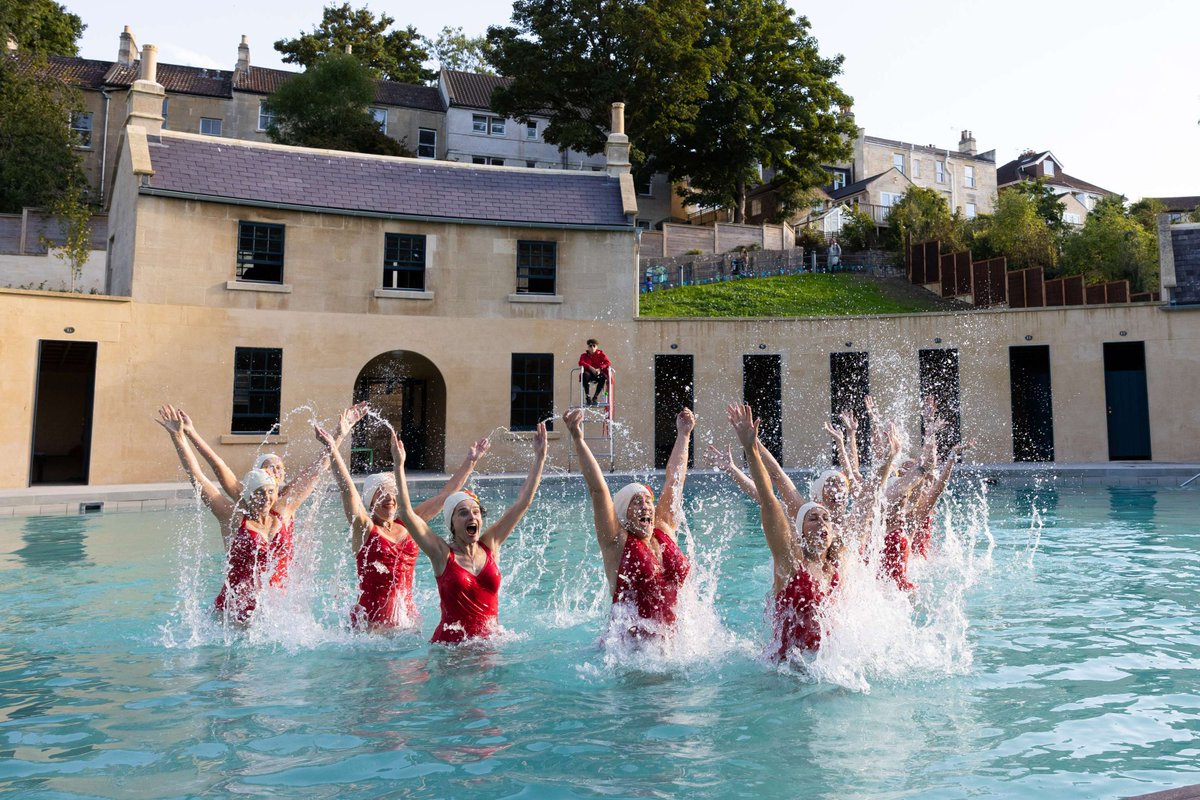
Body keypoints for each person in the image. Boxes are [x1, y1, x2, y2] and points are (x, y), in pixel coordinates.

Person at [156, 404, 353, 624]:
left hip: (274, 611)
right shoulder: (234, 519)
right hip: (234, 613)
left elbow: (316, 472)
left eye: (270, 492)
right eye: (260, 493)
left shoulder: (285, 510)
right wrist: (180, 437)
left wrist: (339, 435)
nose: (267, 498)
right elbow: (201, 477)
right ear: (249, 495)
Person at [318, 420, 492, 631]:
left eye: (392, 492)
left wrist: (471, 461)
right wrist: (332, 448)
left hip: (407, 622)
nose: (389, 498)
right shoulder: (364, 528)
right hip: (371, 628)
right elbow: (347, 489)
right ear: (371, 501)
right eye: (381, 494)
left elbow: (445, 496)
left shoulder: (409, 523)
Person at [391, 423, 548, 644]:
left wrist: (539, 458)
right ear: (452, 524)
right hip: (450, 650)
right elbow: (407, 514)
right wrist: (399, 465)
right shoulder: (442, 554)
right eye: (463, 513)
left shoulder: (490, 544)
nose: (471, 517)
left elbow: (523, 503)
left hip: (488, 645)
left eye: (475, 512)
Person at [564, 405, 696, 641]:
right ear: (624, 513)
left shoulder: (663, 529)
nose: (646, 506)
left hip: (672, 646)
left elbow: (675, 479)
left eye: (648, 501)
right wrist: (578, 439)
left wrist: (684, 435)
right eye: (637, 502)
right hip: (630, 652)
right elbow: (597, 489)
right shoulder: (617, 542)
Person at [727, 403, 841, 659]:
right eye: (813, 518)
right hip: (786, 668)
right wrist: (750, 449)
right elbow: (769, 498)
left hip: (826, 666)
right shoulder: (789, 563)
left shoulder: (835, 566)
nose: (822, 523)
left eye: (826, 519)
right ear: (799, 530)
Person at [578, 339, 611, 406]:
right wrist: (590, 367)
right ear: (588, 347)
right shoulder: (584, 355)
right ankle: (588, 397)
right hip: (589, 374)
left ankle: (595, 397)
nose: (592, 347)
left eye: (594, 346)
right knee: (585, 375)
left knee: (602, 377)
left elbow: (608, 362)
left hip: (598, 374)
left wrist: (600, 368)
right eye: (590, 346)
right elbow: (581, 362)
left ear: (597, 347)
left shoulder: (601, 355)